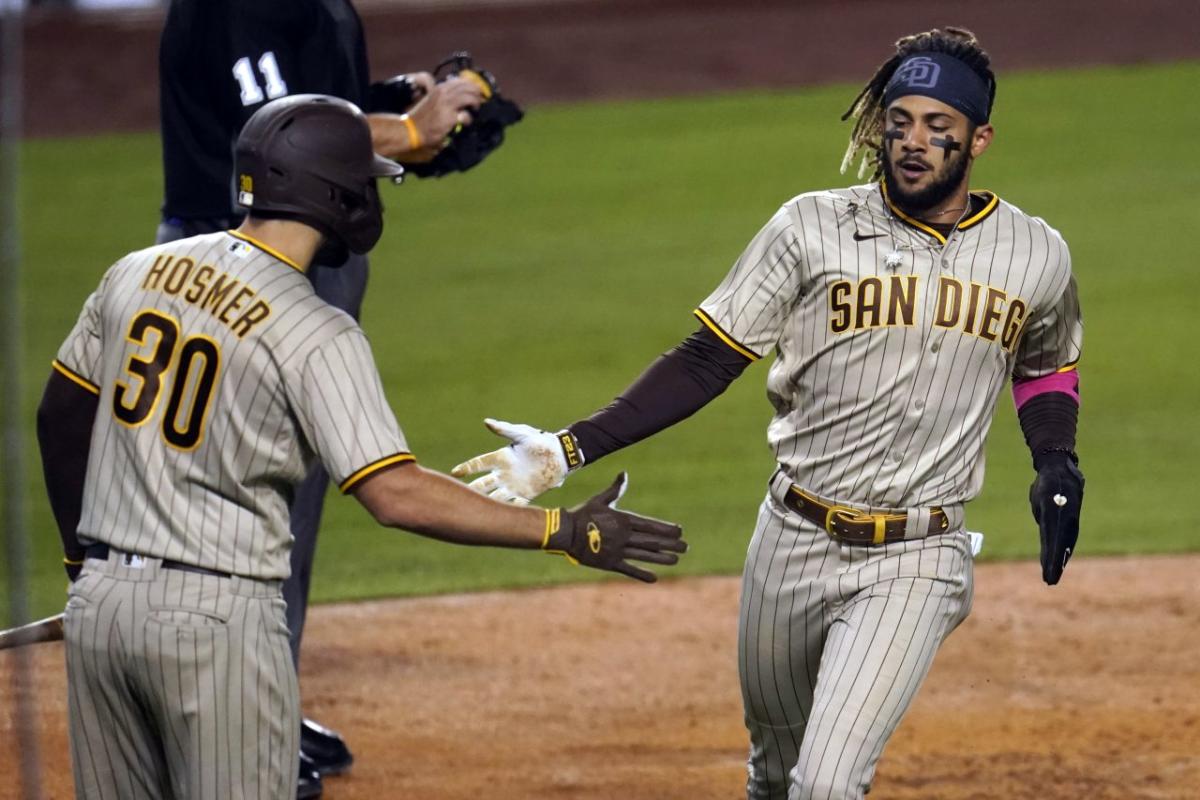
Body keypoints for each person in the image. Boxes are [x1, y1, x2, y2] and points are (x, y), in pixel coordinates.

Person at [452, 27, 1085, 800]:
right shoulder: (809, 228)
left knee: (825, 784)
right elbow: (706, 360)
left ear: (979, 139)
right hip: (790, 542)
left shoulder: (1035, 254)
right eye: (899, 122)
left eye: (938, 129)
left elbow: (1046, 364)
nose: (913, 143)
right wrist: (564, 451)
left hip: (919, 555)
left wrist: (1056, 459)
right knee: (776, 776)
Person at [36, 94, 685, 800]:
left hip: (100, 608)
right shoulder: (315, 331)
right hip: (214, 626)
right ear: (334, 193)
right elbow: (393, 492)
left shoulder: (135, 272)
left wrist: (84, 564)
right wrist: (563, 531)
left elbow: (62, 419)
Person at [155, 0, 491, 790]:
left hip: (288, 256)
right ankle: (230, 728)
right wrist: (409, 132)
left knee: (289, 506)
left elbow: (303, 99)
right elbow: (270, 126)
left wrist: (384, 99)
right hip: (239, 267)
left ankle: (261, 701)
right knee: (239, 501)